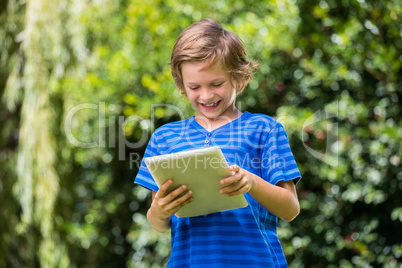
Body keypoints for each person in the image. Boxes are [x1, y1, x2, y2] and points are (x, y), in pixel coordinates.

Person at [134, 18, 301, 267]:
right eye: (194, 87)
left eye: (217, 84)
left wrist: (251, 182)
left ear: (237, 76)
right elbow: (158, 224)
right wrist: (160, 210)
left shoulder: (264, 129)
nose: (206, 95)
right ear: (182, 84)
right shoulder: (165, 138)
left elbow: (290, 209)